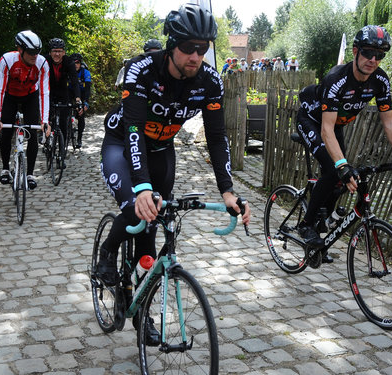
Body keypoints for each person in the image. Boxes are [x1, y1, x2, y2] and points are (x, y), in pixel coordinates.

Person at [98, 3, 251, 340]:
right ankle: (107, 253)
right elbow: (134, 131)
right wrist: (140, 187)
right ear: (171, 44)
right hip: (122, 144)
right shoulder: (141, 71)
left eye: (202, 48)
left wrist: (226, 190)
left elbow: (216, 135)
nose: (195, 55)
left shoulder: (210, 81)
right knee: (136, 207)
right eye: (187, 47)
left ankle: (141, 313)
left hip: (162, 149)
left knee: (151, 236)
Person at [295, 25, 392, 261]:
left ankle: (320, 224)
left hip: (333, 125)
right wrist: (341, 166)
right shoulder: (336, 79)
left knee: (342, 177)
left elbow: (389, 122)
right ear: (355, 51)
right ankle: (306, 225)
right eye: (368, 52)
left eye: (379, 55)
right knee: (333, 168)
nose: (373, 60)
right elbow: (326, 130)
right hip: (312, 120)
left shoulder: (380, 80)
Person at [0, 30, 51, 190]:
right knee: (6, 130)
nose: (34, 56)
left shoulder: (42, 63)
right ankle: (5, 169)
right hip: (10, 96)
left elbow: (44, 92)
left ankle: (30, 174)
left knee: (32, 132)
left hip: (30, 96)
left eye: (37, 52)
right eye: (31, 52)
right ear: (20, 50)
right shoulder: (7, 60)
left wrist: (45, 121)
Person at [45, 38, 82, 149]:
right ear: (50, 52)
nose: (57, 54)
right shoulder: (45, 60)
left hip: (63, 92)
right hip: (48, 91)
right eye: (54, 51)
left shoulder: (68, 62)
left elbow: (74, 81)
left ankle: (62, 149)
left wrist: (78, 98)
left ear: (64, 52)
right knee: (47, 117)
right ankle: (45, 137)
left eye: (59, 51)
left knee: (63, 123)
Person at [69, 53, 92, 148]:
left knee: (81, 115)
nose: (75, 64)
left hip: (82, 94)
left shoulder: (85, 73)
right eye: (73, 62)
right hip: (70, 92)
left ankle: (79, 138)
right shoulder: (68, 71)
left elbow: (87, 89)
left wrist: (85, 101)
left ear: (80, 63)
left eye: (77, 62)